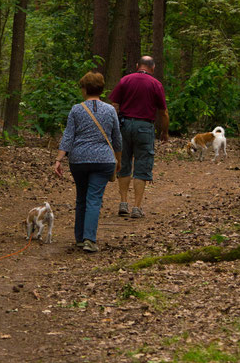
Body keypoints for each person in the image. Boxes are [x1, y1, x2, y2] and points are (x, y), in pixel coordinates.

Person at [54, 71, 122, 253]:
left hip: (79, 160)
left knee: (81, 197)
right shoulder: (110, 110)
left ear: (84, 90)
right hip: (103, 160)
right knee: (94, 199)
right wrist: (119, 160)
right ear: (101, 89)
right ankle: (89, 239)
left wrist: (59, 159)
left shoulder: (76, 109)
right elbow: (117, 139)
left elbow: (68, 136)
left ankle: (79, 238)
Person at [109, 55, 169, 218]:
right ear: (153, 67)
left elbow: (114, 105)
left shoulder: (125, 80)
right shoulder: (156, 84)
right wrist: (164, 132)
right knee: (142, 165)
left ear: (137, 65)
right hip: (145, 127)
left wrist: (115, 127)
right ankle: (137, 207)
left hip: (124, 125)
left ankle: (123, 202)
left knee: (124, 162)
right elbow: (163, 112)